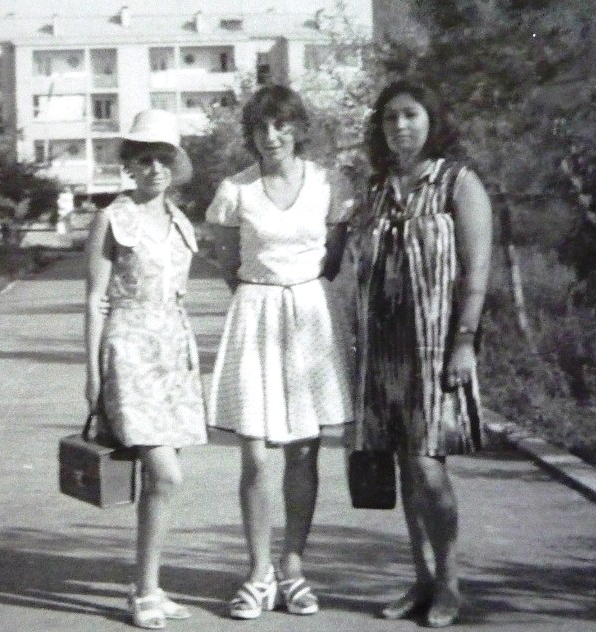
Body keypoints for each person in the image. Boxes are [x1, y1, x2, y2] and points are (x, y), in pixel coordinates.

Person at [344, 79, 492, 628]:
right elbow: (349, 260)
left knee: (429, 466)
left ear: (432, 120)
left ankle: (451, 582)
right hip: (383, 347)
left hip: (436, 345)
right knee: (403, 466)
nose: (400, 126)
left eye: (410, 114)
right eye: (390, 118)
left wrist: (465, 342)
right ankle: (422, 578)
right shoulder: (376, 190)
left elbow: (477, 271)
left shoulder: (458, 182)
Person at [204, 84, 352, 620]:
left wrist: (298, 293)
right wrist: (263, 295)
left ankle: (293, 569)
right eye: (261, 127)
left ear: (298, 128)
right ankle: (258, 572)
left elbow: (333, 257)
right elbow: (227, 262)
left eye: (281, 124)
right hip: (256, 312)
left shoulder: (328, 183)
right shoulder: (235, 189)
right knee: (254, 452)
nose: (271, 136)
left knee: (303, 451)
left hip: (309, 315)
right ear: (251, 134)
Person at [84, 109, 207, 630]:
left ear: (176, 164)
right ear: (130, 165)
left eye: (164, 158)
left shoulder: (181, 222)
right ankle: (145, 589)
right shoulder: (112, 218)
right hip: (128, 351)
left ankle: (148, 586)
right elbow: (95, 300)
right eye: (144, 159)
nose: (155, 168)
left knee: (160, 483)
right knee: (165, 474)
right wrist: (92, 374)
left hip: (173, 354)